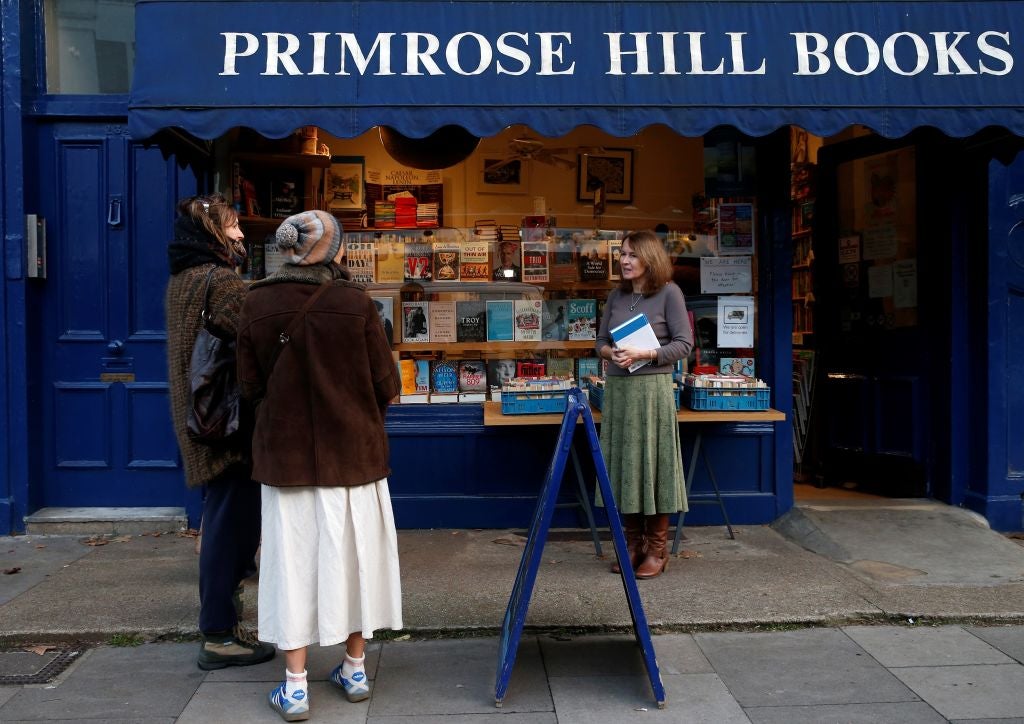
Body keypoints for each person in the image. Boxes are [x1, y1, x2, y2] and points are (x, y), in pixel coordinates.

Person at [237, 210, 402, 722]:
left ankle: (295, 686)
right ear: (333, 253)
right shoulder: (355, 304)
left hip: (286, 459)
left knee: (290, 565)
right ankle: (354, 668)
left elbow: (248, 386)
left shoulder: (256, 301)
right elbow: (386, 386)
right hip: (353, 456)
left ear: (286, 250)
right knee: (355, 561)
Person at [164, 193, 275, 670]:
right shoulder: (223, 282)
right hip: (227, 424)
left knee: (220, 522)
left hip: (199, 416)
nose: (242, 235)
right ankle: (218, 636)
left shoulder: (183, 280)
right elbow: (257, 341)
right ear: (213, 234)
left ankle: (225, 626)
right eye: (232, 228)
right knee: (231, 529)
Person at [595, 229, 693, 580]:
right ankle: (632, 545)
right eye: (622, 254)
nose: (624, 260)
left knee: (655, 466)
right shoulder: (616, 296)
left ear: (649, 258)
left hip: (652, 391)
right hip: (620, 392)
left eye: (632, 255)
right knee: (627, 468)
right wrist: (612, 352)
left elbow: (684, 344)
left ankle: (657, 549)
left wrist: (646, 353)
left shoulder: (670, 293)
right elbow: (600, 341)